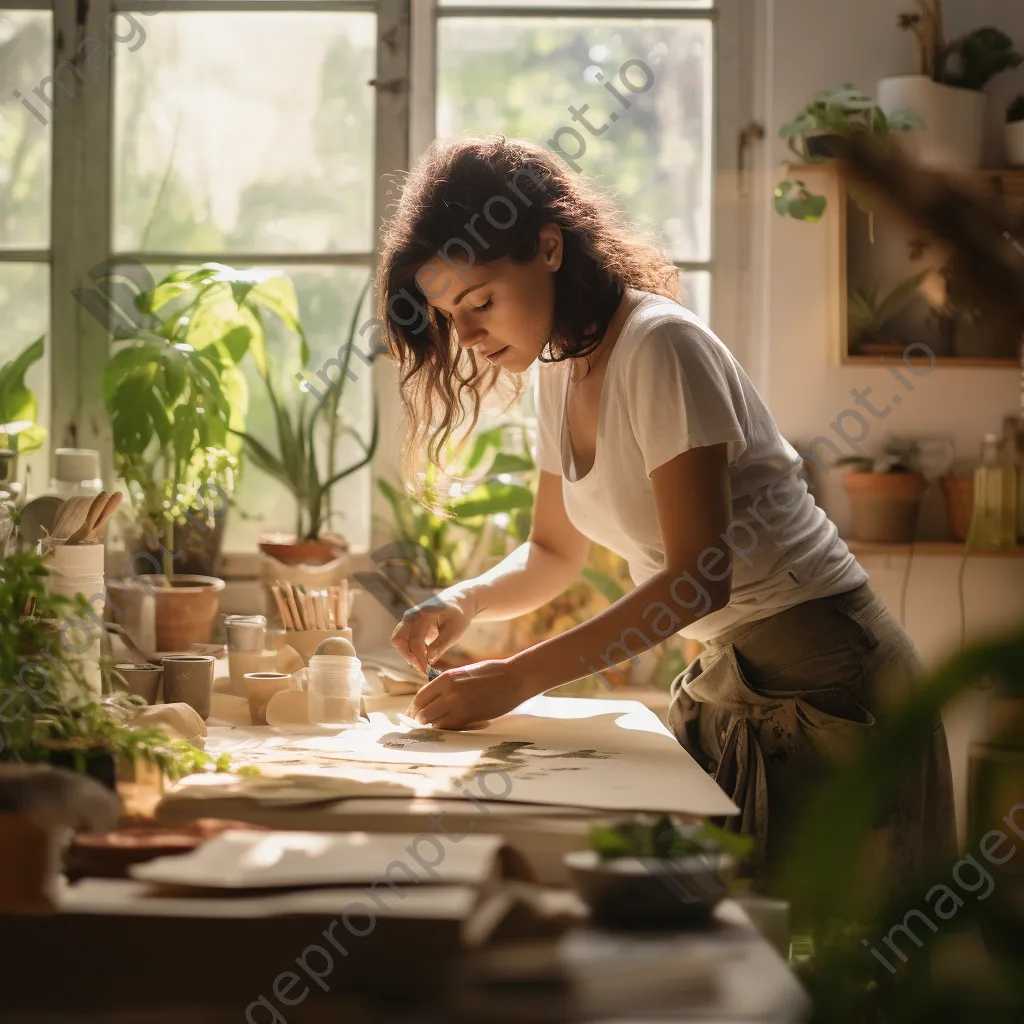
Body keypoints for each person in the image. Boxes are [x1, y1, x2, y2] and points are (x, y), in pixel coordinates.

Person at [377, 134, 955, 885]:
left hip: (830, 677)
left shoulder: (659, 347)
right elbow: (553, 553)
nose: (471, 334)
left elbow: (696, 582)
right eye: (453, 317)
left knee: (843, 970)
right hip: (738, 676)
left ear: (549, 248)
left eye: (481, 302)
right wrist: (462, 601)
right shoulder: (559, 368)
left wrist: (516, 677)